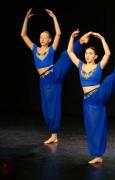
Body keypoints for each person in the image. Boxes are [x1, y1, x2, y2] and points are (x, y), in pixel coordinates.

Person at [20, 8, 89, 144]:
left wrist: (54, 18)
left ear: (49, 40)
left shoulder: (52, 48)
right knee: (48, 107)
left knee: (64, 55)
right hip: (44, 81)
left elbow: (58, 33)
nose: (42, 39)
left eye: (45, 38)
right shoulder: (34, 49)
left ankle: (80, 42)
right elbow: (23, 35)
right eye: (41, 37)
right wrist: (26, 19)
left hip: (53, 73)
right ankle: (54, 134)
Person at [67, 29, 115, 164]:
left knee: (107, 81)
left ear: (95, 56)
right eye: (86, 53)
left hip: (98, 95)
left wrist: (102, 39)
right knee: (92, 127)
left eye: (90, 53)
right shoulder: (80, 65)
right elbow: (70, 52)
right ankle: (97, 156)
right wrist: (72, 38)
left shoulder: (99, 66)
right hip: (88, 101)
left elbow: (108, 53)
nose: (87, 55)